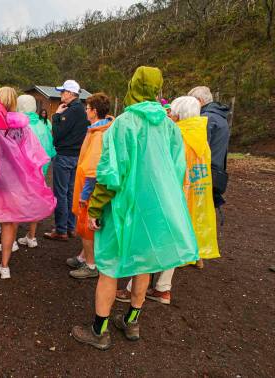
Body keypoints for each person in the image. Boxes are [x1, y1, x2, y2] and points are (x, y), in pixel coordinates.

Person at [71, 67, 198, 350]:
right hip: (155, 210)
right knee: (145, 263)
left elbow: (109, 173)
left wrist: (94, 209)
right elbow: (178, 171)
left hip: (122, 209)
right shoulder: (169, 127)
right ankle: (131, 321)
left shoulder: (123, 124)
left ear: (132, 86)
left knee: (109, 268)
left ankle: (99, 329)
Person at [116, 96, 220, 305]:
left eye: (172, 112)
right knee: (171, 237)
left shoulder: (179, 134)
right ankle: (163, 288)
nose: (169, 115)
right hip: (193, 196)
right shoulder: (200, 136)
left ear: (179, 114)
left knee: (153, 239)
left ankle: (133, 290)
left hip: (170, 193)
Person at [0, 87, 55, 279]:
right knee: (9, 222)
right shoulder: (22, 127)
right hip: (14, 182)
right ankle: (4, 266)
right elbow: (33, 155)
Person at [67, 93, 114, 279]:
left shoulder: (98, 134)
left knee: (87, 227)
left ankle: (91, 265)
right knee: (86, 226)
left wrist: (84, 196)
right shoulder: (98, 130)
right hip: (89, 185)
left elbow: (93, 171)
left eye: (87, 108)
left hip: (90, 189)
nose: (86, 111)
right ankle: (83, 255)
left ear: (94, 111)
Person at [44, 80, 90, 241]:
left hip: (65, 155)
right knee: (70, 192)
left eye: (63, 91)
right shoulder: (81, 110)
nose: (61, 94)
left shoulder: (71, 111)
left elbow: (57, 133)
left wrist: (56, 115)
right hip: (77, 156)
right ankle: (71, 227)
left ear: (70, 93)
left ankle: (61, 229)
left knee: (61, 193)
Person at [15, 95, 56, 248]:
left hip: (22, 172)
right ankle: (31, 237)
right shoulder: (43, 125)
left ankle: (11, 240)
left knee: (17, 203)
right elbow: (51, 151)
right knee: (35, 202)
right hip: (41, 171)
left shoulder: (19, 124)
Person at [187, 86, 230, 210]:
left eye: (192, 102)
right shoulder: (220, 116)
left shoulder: (206, 118)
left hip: (204, 172)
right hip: (217, 170)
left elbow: (197, 149)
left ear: (199, 101)